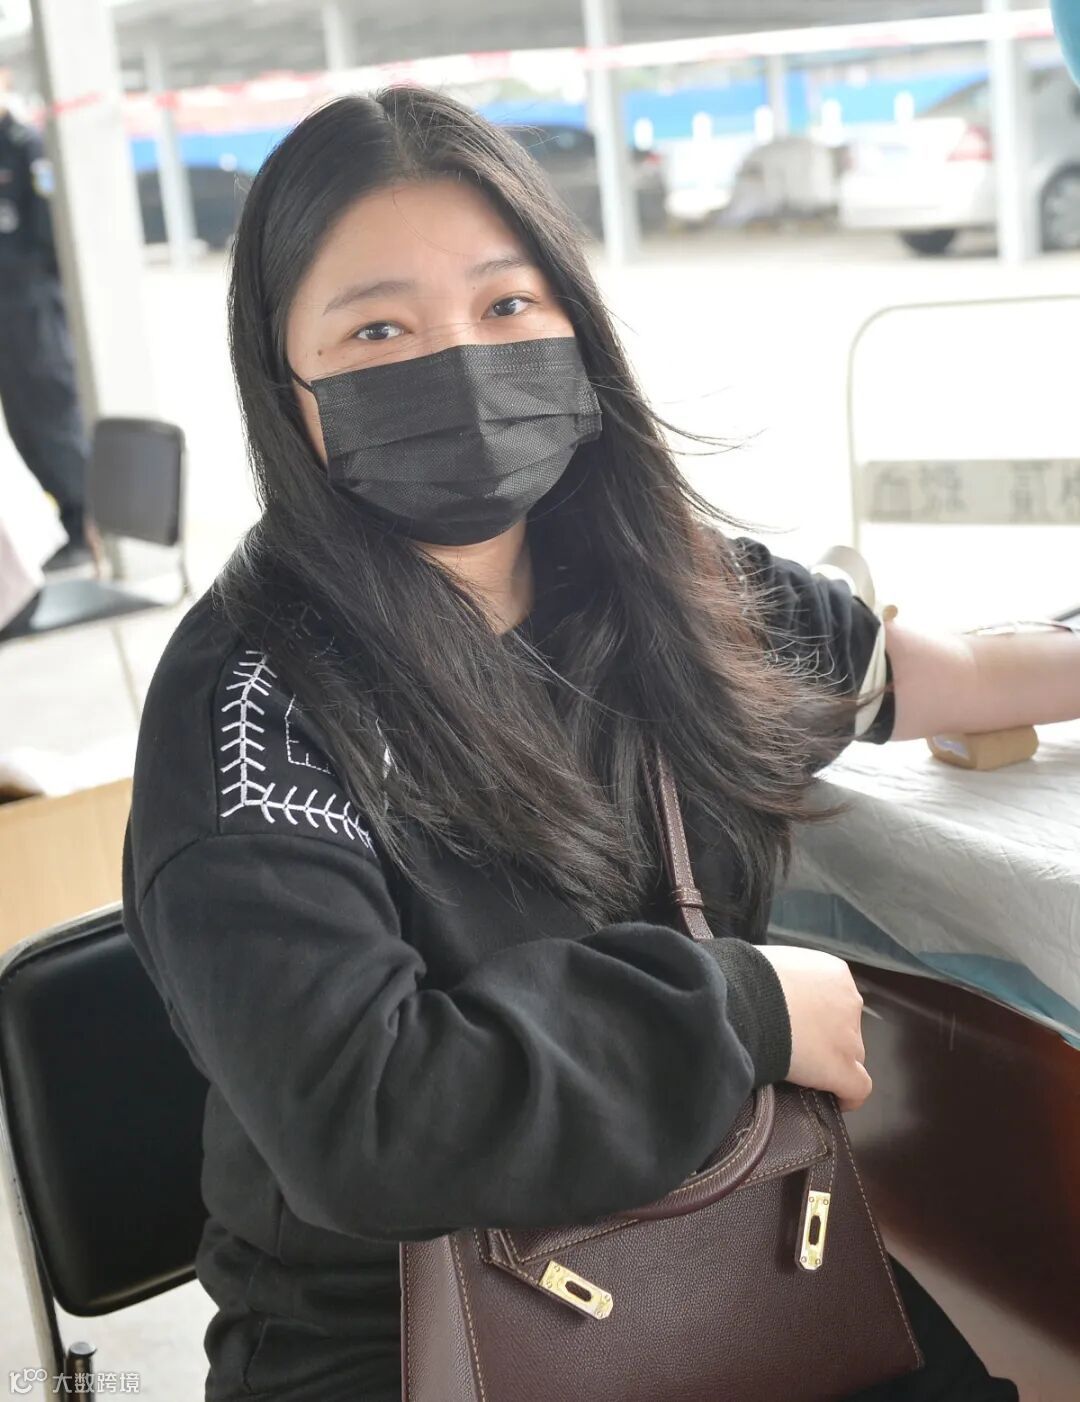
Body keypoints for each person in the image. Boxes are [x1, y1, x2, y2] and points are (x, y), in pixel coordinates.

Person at [122, 89, 1079, 1402]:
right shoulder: (254, 698)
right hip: (395, 1330)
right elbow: (368, 1118)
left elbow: (924, 674)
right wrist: (739, 1009)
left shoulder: (658, 585)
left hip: (722, 1234)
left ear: (575, 327)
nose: (459, 360)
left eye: (506, 304)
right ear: (289, 389)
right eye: (379, 328)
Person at [0, 77, 91, 571]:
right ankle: (70, 522)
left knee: (52, 415)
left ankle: (87, 526)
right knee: (23, 427)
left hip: (30, 304)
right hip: (5, 310)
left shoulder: (26, 147)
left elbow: (51, 233)